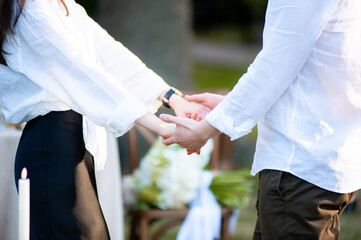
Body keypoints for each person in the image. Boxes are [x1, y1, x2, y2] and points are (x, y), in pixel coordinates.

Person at [0, 0, 210, 239]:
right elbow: (81, 73)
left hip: (70, 145)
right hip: (49, 148)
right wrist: (162, 127)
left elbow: (109, 54)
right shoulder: (28, 8)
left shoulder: (60, 4)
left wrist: (172, 98)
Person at [161, 0, 361, 239]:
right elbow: (325, 64)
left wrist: (206, 130)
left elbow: (274, 65)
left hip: (299, 168)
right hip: (323, 158)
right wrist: (231, 104)